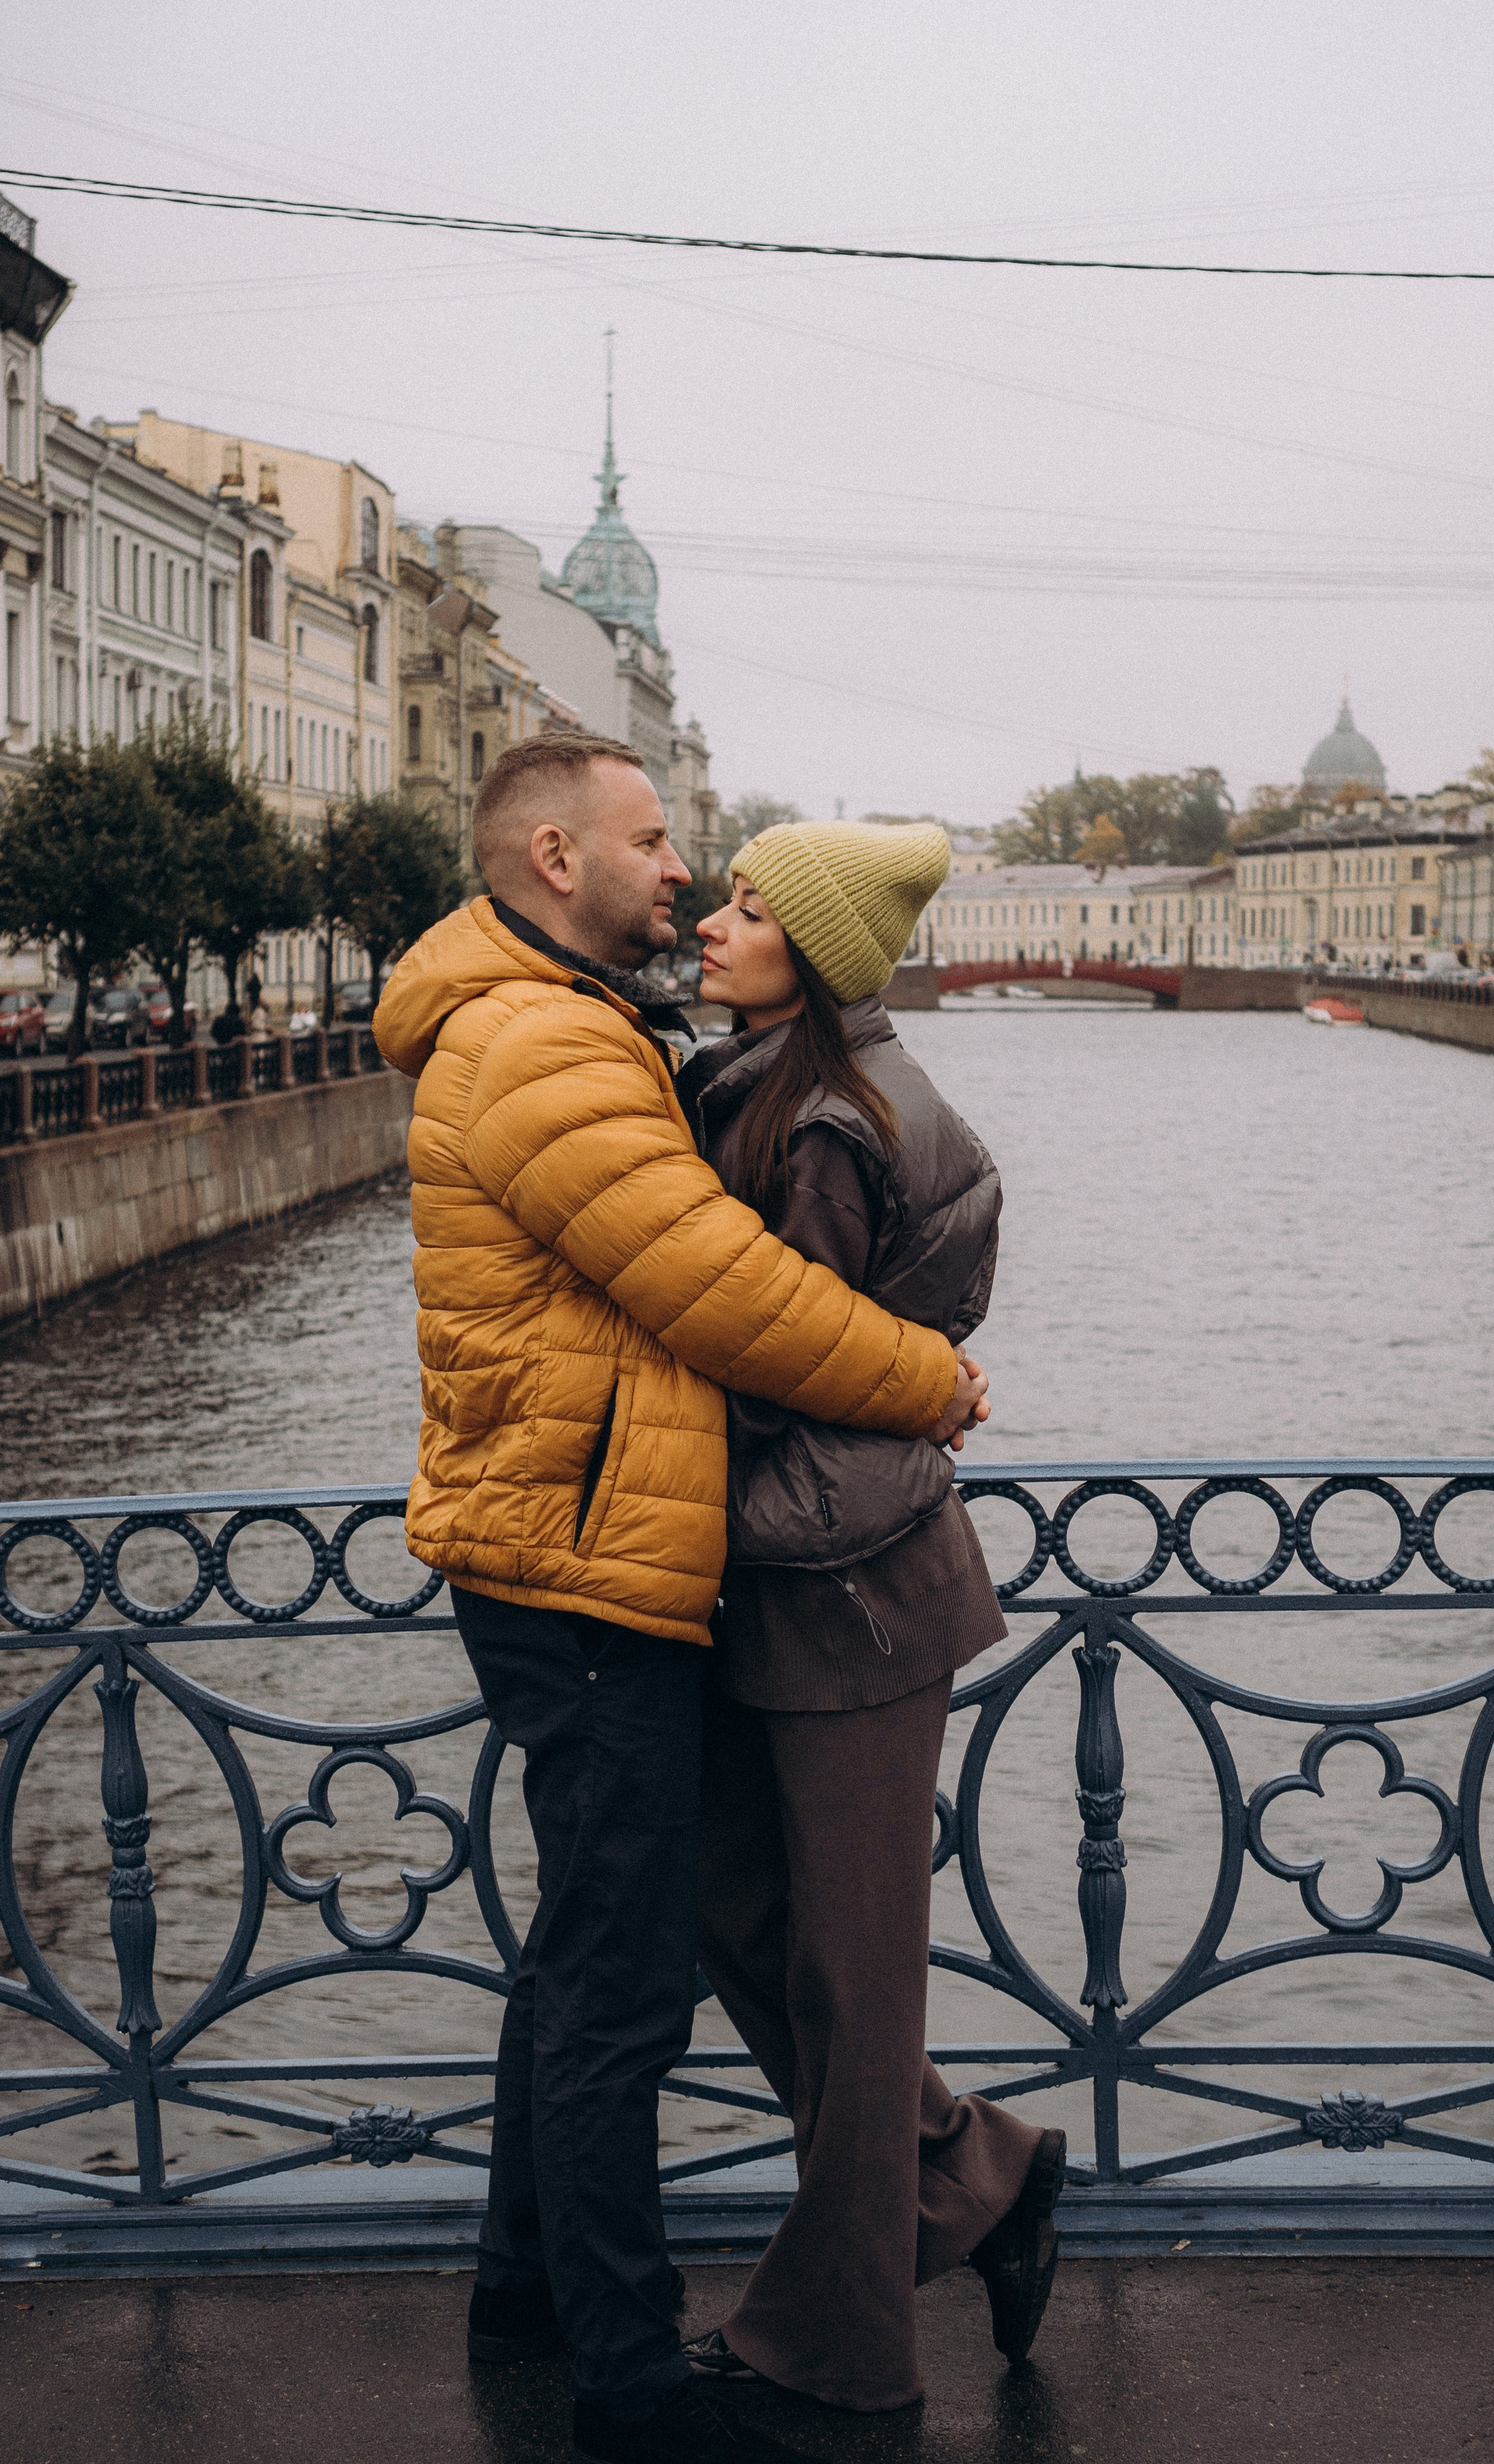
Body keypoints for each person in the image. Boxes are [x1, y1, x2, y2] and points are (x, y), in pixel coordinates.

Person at [372, 735, 988, 2464]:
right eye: (657, 845)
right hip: (584, 1567)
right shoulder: (544, 1041)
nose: (681, 874)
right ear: (556, 856)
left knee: (586, 1948)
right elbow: (720, 1289)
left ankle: (522, 2292)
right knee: (625, 1985)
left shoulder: (553, 1020)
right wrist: (925, 1380)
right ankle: (626, 2378)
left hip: (571, 1541)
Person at [673, 823, 1065, 2417]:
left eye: (750, 908)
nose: (710, 921)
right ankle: (981, 2173)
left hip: (848, 1588)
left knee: (846, 1970)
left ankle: (840, 2347)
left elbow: (785, 1355)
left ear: (818, 956)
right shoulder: (776, 1082)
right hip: (806, 1569)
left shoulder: (826, 1121)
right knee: (741, 1921)